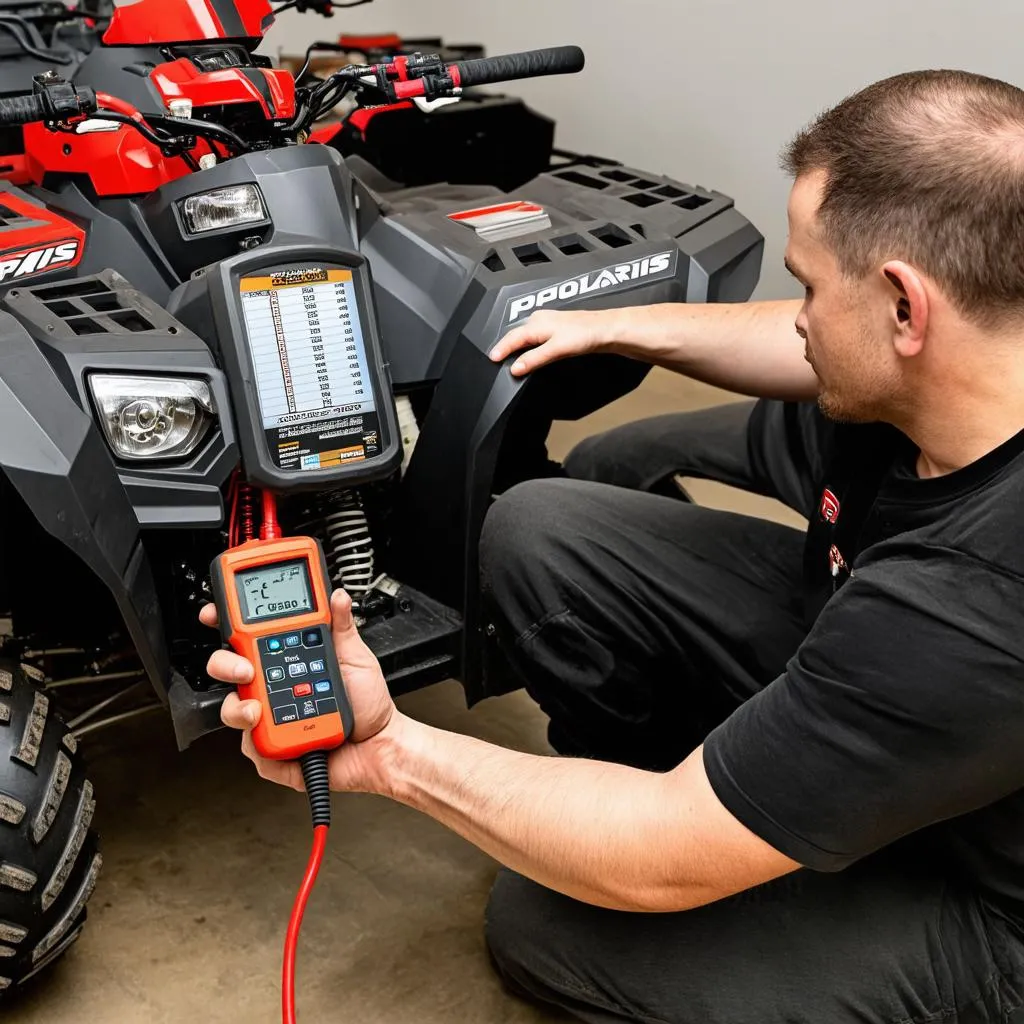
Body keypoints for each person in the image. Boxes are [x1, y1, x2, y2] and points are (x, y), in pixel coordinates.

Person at [204, 69, 1024, 1023]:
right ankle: (767, 792)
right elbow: (789, 336)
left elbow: (659, 858)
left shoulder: (970, 598)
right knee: (546, 522)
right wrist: (617, 326)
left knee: (549, 926)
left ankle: (775, 821)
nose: (797, 316)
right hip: (919, 708)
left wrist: (392, 750)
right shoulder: (981, 340)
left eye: (809, 285)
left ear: (904, 310)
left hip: (993, 897)